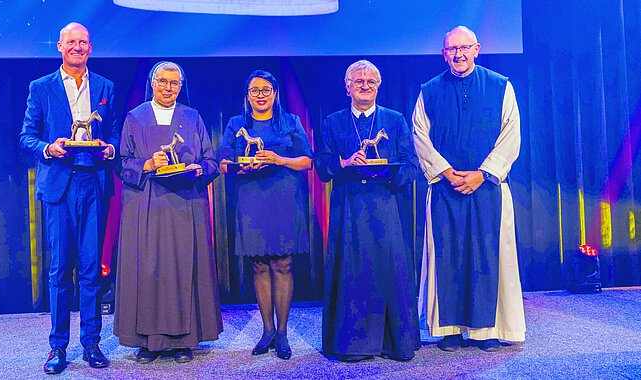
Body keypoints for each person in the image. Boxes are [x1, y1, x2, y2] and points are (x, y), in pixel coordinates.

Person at [413, 26, 525, 352]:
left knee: (487, 256)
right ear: (444, 53)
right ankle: (448, 329)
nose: (458, 54)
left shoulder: (500, 86)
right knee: (447, 257)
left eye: (464, 48)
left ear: (477, 49)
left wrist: (483, 173)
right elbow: (420, 136)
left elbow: (511, 134)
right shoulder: (429, 91)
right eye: (452, 49)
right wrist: (446, 172)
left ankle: (485, 330)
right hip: (446, 189)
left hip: (487, 188)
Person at [19, 22, 118, 374]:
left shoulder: (105, 86)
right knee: (61, 270)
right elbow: (26, 137)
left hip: (93, 184)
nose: (77, 47)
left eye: (83, 42)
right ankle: (58, 347)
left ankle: (91, 344)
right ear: (59, 46)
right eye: (71, 42)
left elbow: (115, 132)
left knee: (92, 270)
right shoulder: (40, 87)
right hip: (59, 186)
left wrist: (111, 148)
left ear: (90, 47)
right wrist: (48, 147)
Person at [113, 61, 223, 364]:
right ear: (152, 83)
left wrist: (199, 167)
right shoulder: (135, 118)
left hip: (185, 205)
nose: (168, 88)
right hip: (146, 204)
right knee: (148, 269)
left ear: (180, 86)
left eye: (174, 83)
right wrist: (147, 164)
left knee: (182, 268)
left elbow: (211, 161)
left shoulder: (192, 117)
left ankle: (184, 340)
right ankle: (146, 341)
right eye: (162, 82)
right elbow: (122, 162)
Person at [314, 60, 421, 362]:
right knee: (351, 273)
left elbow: (411, 164)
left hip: (387, 207)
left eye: (370, 81)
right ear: (347, 86)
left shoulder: (395, 120)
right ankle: (352, 344)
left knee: (390, 272)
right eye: (358, 81)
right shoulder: (333, 121)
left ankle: (393, 343)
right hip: (348, 208)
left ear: (379, 85)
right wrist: (344, 163)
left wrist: (388, 171)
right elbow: (321, 165)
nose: (364, 86)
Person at [218, 70, 313, 360]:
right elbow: (223, 162)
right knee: (259, 265)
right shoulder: (237, 124)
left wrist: (278, 159)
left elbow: (308, 160)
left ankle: (282, 333)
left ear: (275, 93)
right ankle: (267, 330)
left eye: (266, 90)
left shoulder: (290, 122)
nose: (260, 95)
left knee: (282, 264)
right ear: (247, 95)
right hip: (251, 199)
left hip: (284, 198)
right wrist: (240, 167)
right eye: (254, 90)